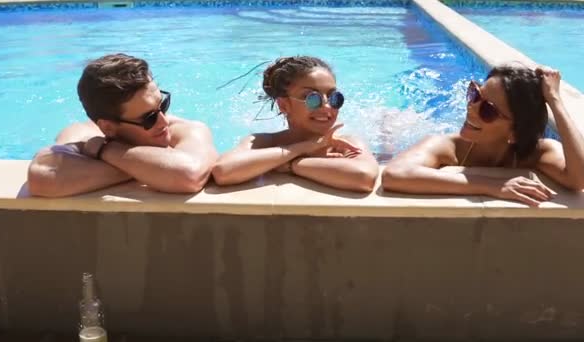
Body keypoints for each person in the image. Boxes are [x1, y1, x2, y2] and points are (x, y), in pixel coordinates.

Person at [382, 65, 584, 206]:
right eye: (474, 94)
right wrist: (491, 186)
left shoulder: (536, 153)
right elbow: (394, 175)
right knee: (388, 151)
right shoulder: (448, 146)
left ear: (515, 133)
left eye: (488, 110)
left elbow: (579, 179)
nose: (471, 108)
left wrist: (555, 100)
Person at [28, 53, 217, 197]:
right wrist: (152, 169)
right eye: (149, 118)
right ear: (108, 127)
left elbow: (189, 176)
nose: (164, 121)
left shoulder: (187, 129)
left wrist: (105, 151)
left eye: (163, 105)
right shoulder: (83, 133)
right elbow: (42, 177)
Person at [212, 56, 379, 192]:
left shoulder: (345, 143)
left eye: (335, 98)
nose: (327, 106)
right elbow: (223, 171)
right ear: (284, 105)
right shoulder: (264, 141)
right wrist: (304, 148)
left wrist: (291, 165)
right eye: (312, 98)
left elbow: (364, 177)